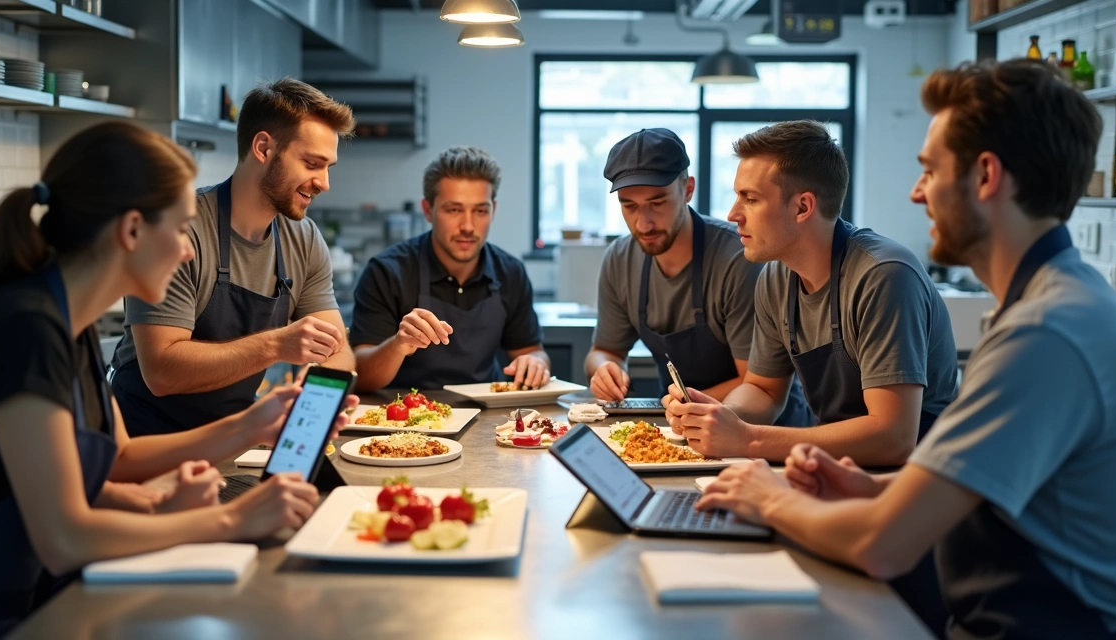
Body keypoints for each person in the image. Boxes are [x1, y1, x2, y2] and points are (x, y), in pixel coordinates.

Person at [697, 60, 1116, 639]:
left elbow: (882, 545)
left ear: (985, 176)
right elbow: (991, 484)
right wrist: (868, 486)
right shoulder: (1047, 304)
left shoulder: (1045, 331)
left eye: (929, 170)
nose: (916, 192)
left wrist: (764, 492)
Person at [0, 122, 356, 639]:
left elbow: (116, 461)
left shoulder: (63, 321)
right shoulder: (24, 331)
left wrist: (247, 426)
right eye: (181, 228)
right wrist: (232, 521)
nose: (189, 251)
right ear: (130, 231)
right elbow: (64, 535)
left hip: (28, 599)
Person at [665, 120, 959, 467]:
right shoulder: (776, 277)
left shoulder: (883, 276)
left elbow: (893, 437)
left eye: (751, 199)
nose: (733, 215)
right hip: (835, 470)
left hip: (914, 483)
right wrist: (722, 416)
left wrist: (747, 438)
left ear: (803, 207)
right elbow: (764, 390)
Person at [111, 78, 356, 436]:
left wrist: (311, 408)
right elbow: (161, 371)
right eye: (311, 163)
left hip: (234, 442)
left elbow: (340, 353)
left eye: (328, 167)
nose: (323, 183)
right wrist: (276, 345)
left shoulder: (303, 239)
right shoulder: (181, 229)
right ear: (263, 148)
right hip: (143, 444)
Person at [585, 128, 812, 426]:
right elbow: (604, 350)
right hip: (677, 425)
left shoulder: (738, 258)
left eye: (657, 203)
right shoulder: (620, 258)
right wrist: (604, 370)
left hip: (765, 432)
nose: (644, 223)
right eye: (629, 206)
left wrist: (684, 407)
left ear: (688, 189)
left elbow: (753, 382)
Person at [350, 146, 550, 391]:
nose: (467, 225)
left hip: (487, 415)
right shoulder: (387, 272)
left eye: (480, 211)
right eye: (454, 210)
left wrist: (535, 364)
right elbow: (361, 375)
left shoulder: (510, 273)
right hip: (403, 416)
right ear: (428, 210)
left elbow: (532, 352)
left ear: (493, 211)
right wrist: (398, 344)